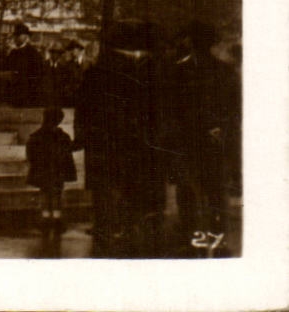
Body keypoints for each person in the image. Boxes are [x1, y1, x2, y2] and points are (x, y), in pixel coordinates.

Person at [76, 19, 163, 257]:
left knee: (104, 189)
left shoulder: (97, 72)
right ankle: (128, 228)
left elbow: (83, 108)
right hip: (136, 143)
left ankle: (106, 228)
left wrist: (82, 137)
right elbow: (156, 111)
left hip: (103, 142)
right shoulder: (147, 71)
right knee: (131, 187)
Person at [163, 21, 239, 254]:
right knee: (215, 195)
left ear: (191, 42)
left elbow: (171, 111)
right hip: (214, 142)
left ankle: (194, 242)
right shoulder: (225, 70)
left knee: (189, 194)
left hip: (189, 143)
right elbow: (235, 109)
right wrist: (221, 129)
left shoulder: (178, 71)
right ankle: (216, 242)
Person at [26, 106, 78, 229]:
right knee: (57, 194)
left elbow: (31, 154)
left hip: (44, 170)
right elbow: (68, 152)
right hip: (57, 170)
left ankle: (46, 218)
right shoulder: (63, 136)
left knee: (45, 193)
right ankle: (56, 218)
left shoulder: (37, 136)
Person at [7, 22, 48, 108]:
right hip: (15, 92)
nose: (16, 38)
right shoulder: (13, 53)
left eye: (18, 35)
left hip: (28, 93)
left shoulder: (33, 53)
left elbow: (38, 74)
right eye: (15, 36)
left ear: (25, 37)